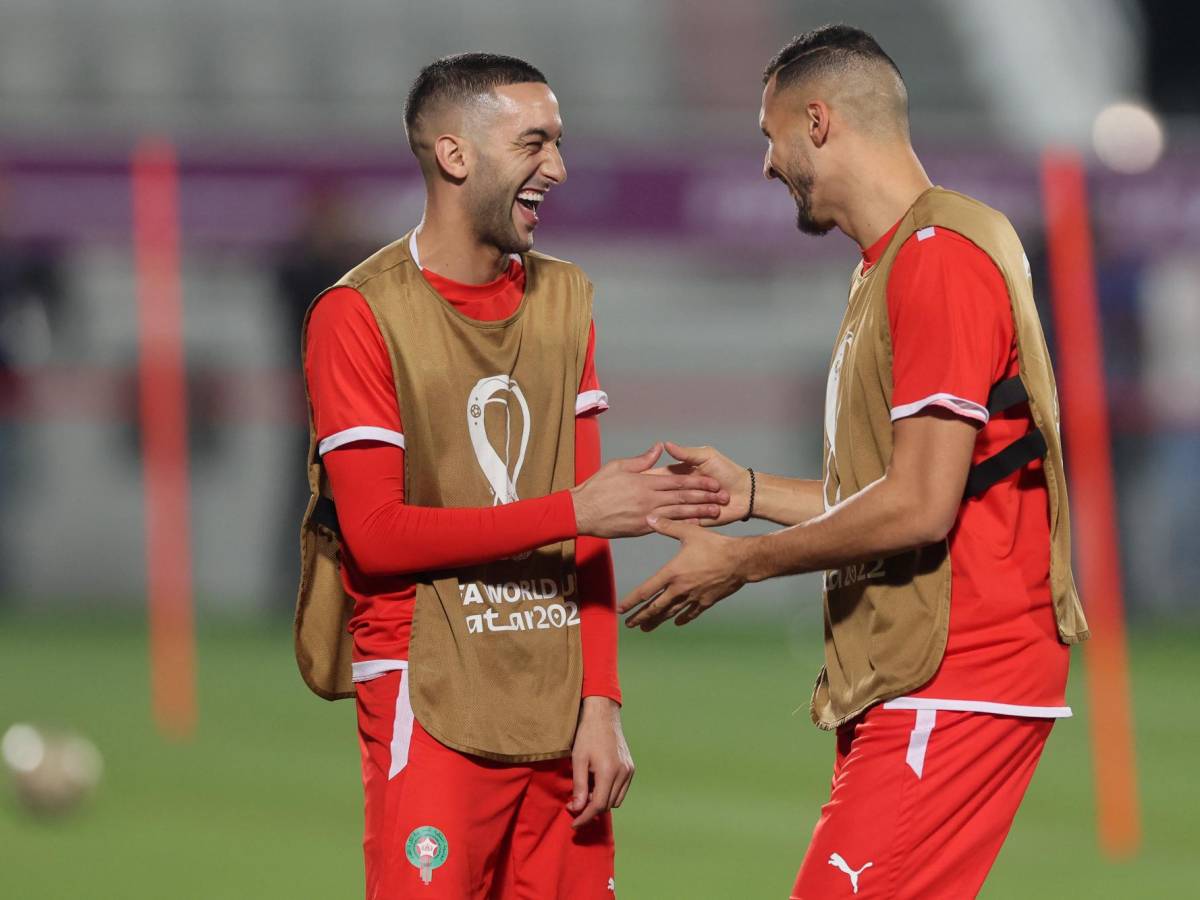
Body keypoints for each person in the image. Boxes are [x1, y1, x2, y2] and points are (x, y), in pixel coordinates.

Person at [618, 26, 1090, 899]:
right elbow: (904, 488)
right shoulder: (902, 260)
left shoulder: (937, 260)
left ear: (819, 122)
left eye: (771, 135)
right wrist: (751, 494)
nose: (766, 164)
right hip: (931, 672)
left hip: (956, 672)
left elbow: (919, 507)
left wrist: (741, 564)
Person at [293, 53, 729, 899]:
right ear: (456, 156)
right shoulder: (358, 314)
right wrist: (572, 509)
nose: (557, 170)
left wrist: (601, 703)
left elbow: (594, 532)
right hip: (431, 688)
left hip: (560, 704)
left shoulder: (566, 300)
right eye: (535, 144)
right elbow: (377, 538)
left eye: (558, 144)